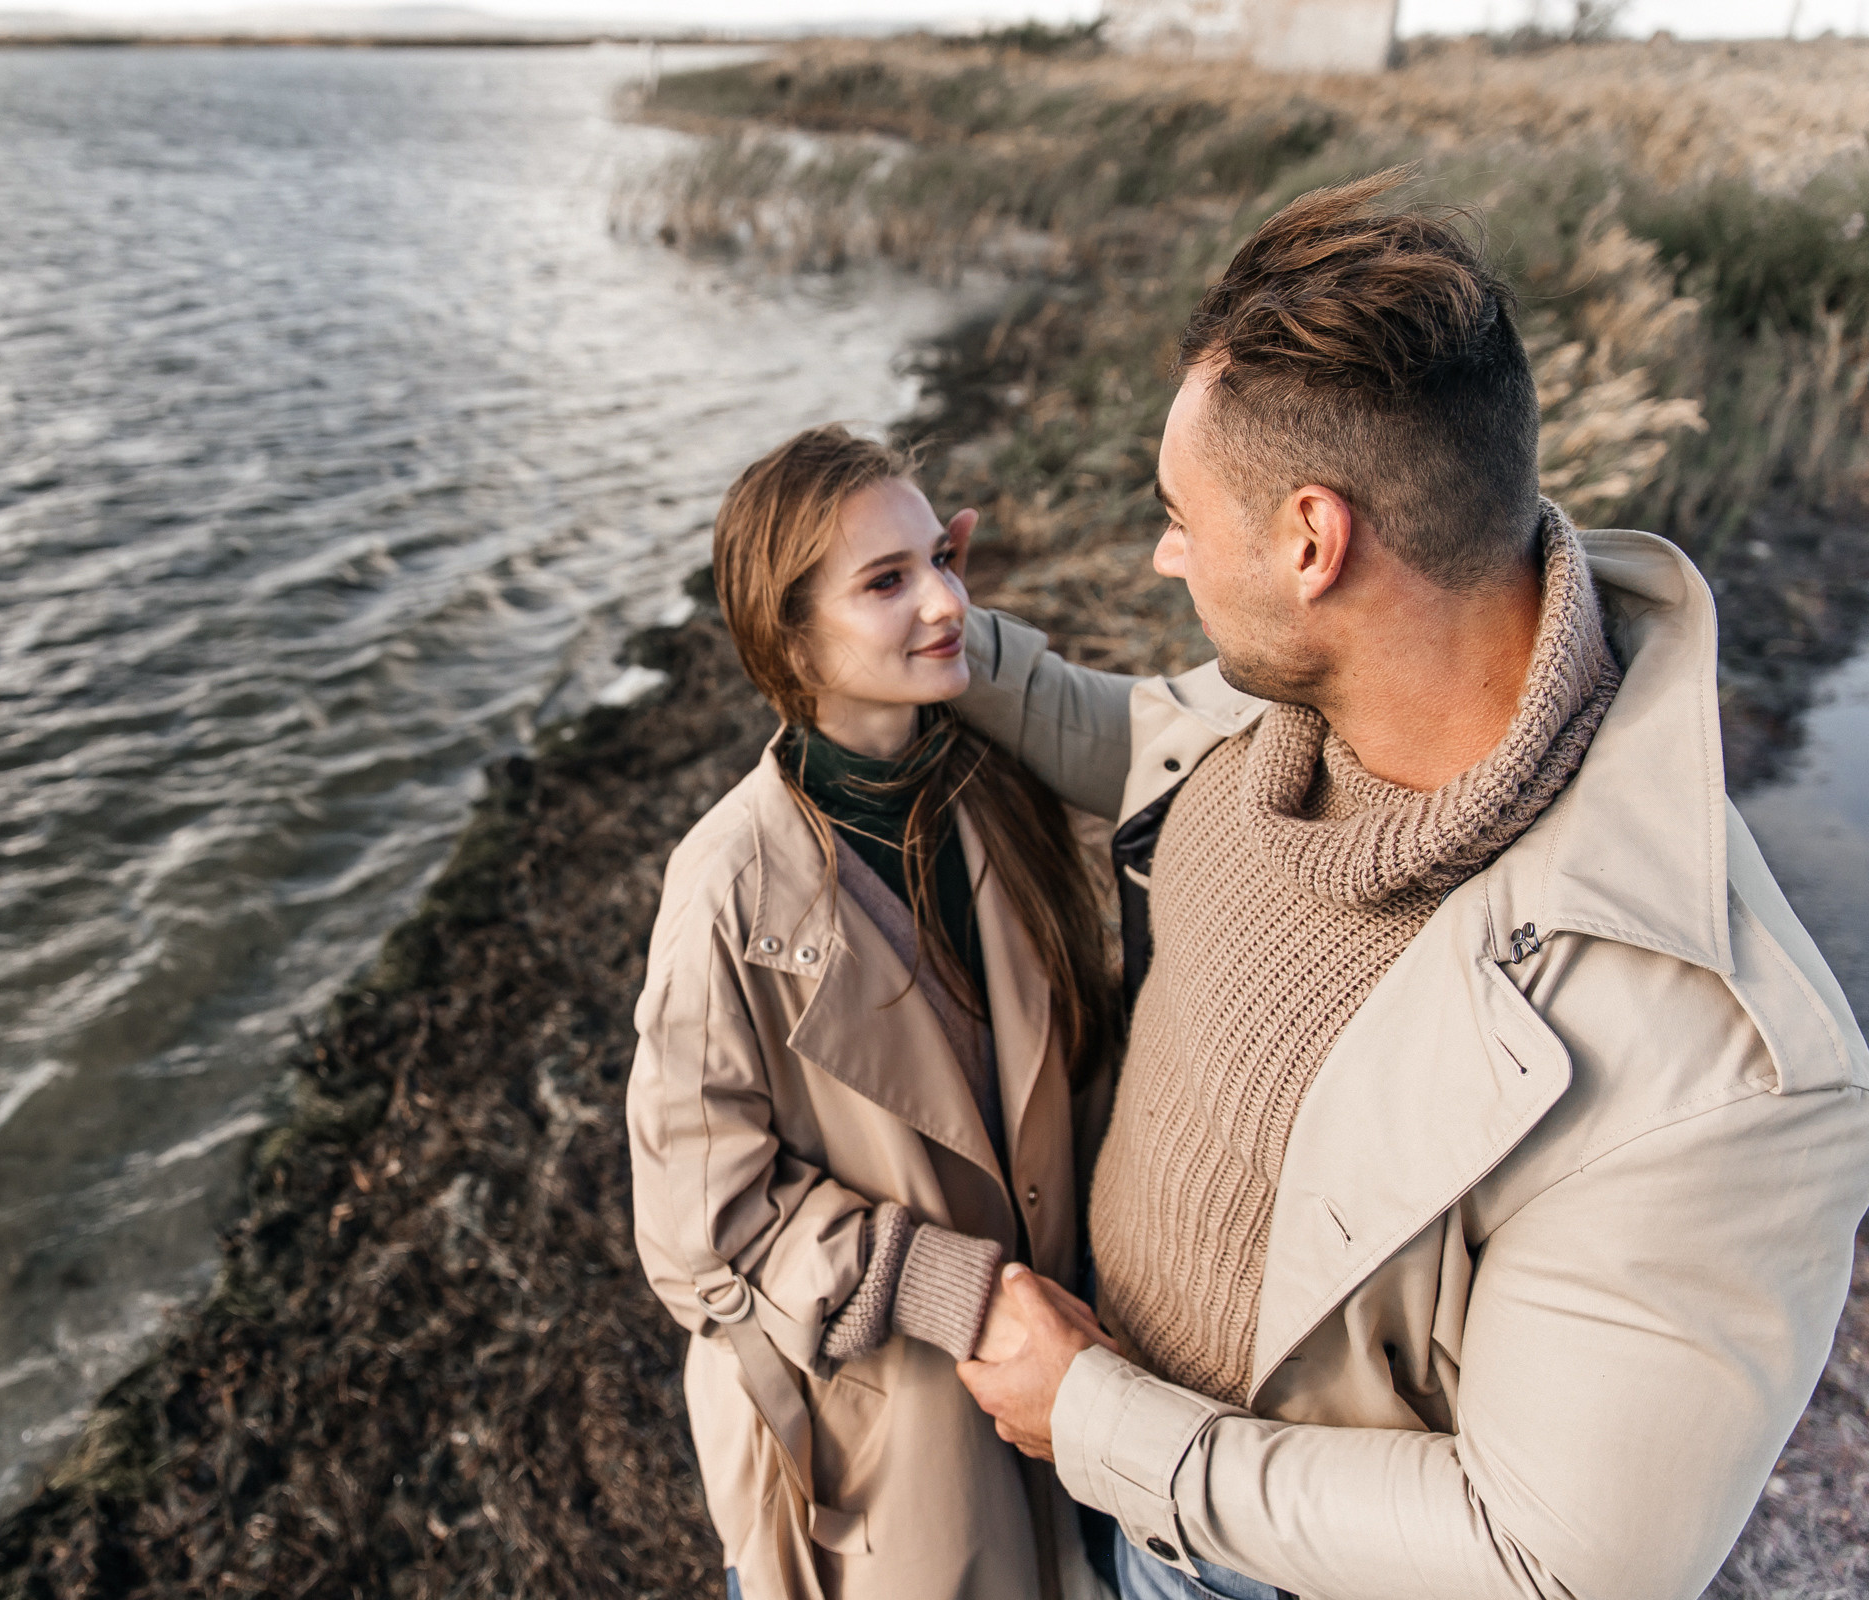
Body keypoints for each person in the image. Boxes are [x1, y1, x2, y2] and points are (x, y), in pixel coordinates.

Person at [947, 170, 1869, 1600]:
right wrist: (946, 638)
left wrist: (1099, 1425)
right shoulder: (1301, 707)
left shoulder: (1724, 1068)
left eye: (1182, 514)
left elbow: (1554, 1559)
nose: (1163, 551)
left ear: (1314, 542)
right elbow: (1136, 737)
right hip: (1096, 1461)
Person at [625, 426, 1125, 1600]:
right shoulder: (726, 887)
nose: (945, 601)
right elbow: (699, 1227)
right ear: (789, 636)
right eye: (888, 581)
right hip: (878, 1441)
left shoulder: (1001, 798)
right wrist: (951, 1286)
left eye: (941, 562)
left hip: (1071, 1386)